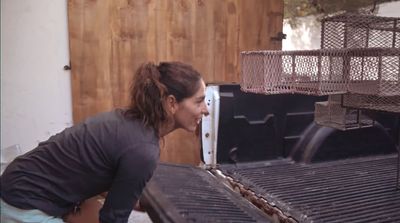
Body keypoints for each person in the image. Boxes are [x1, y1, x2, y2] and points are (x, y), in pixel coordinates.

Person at [0, 61, 209, 223]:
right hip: (22, 203)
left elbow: (93, 168)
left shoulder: (129, 121)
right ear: (172, 103)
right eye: (199, 101)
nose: (206, 110)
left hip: (15, 183)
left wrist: (130, 197)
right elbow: (112, 219)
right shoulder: (143, 149)